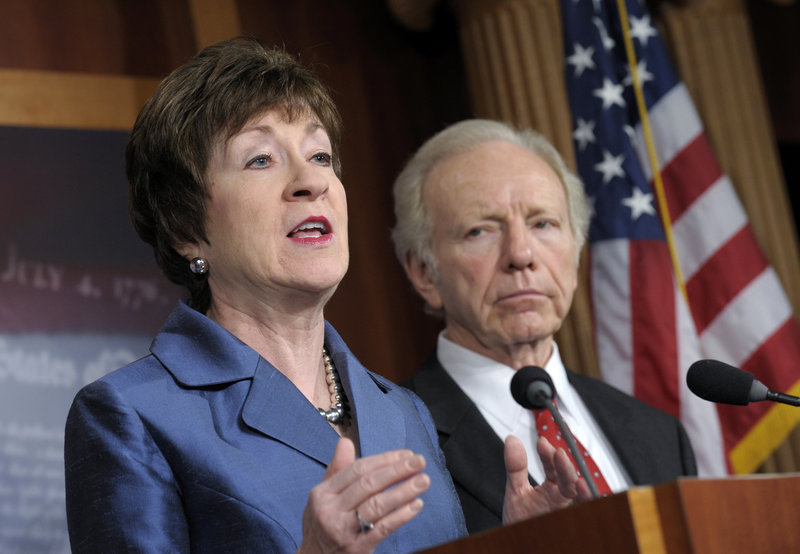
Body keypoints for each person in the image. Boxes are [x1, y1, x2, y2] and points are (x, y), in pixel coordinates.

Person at [64, 39, 587, 553]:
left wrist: (516, 544)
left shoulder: (402, 410)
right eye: (261, 159)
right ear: (185, 228)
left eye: (320, 155)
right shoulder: (131, 415)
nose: (310, 181)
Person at [392, 119, 698, 534]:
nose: (521, 254)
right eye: (480, 230)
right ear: (423, 272)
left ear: (575, 255)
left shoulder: (659, 434)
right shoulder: (390, 439)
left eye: (543, 224)